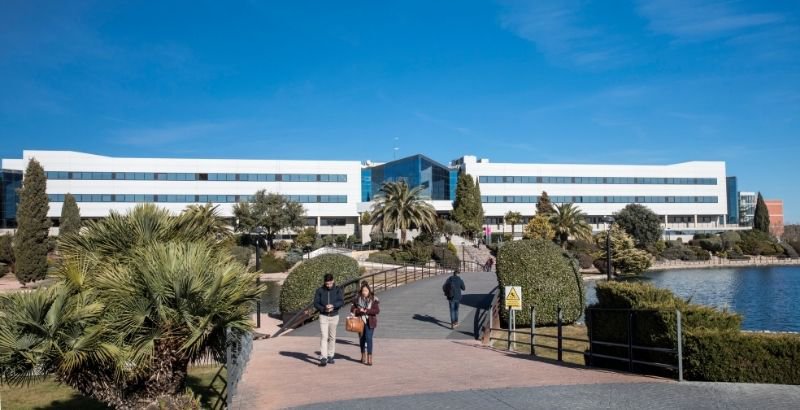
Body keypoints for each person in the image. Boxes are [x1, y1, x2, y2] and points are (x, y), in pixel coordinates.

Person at [313, 273, 344, 367]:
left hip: (334, 316)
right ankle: (323, 357)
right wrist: (323, 308)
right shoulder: (320, 290)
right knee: (324, 336)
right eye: (327, 284)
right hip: (323, 316)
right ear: (324, 282)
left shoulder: (338, 290)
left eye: (330, 283)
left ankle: (330, 355)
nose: (329, 285)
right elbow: (316, 303)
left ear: (333, 281)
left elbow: (341, 301)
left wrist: (333, 306)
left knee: (332, 337)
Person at [351, 281, 380, 366]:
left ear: (369, 291)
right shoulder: (357, 299)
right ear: (361, 291)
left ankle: (369, 358)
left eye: (366, 291)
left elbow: (377, 310)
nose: (364, 292)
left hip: (370, 321)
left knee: (369, 338)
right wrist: (359, 310)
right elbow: (352, 309)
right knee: (362, 339)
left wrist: (367, 311)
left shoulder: (374, 299)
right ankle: (363, 355)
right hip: (360, 321)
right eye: (363, 291)